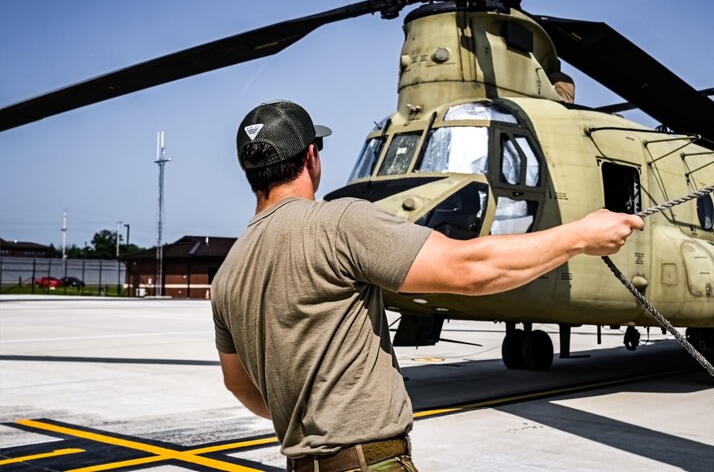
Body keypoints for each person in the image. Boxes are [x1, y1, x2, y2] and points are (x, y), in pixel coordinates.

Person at [211, 100, 644, 472]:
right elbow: (470, 269)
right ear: (311, 156)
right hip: (368, 461)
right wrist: (582, 236)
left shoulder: (228, 274)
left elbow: (240, 385)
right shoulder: (338, 222)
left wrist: (307, 420)